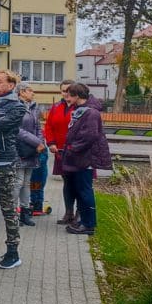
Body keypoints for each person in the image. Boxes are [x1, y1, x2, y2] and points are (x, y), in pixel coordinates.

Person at [0, 69, 27, 270]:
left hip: (4, 162)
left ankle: (13, 251)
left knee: (8, 207)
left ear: (11, 85)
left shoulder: (17, 107)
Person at [62, 83, 112, 235]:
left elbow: (90, 136)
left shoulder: (91, 113)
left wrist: (72, 148)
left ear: (77, 96)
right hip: (78, 158)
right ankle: (83, 221)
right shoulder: (79, 111)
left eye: (69, 95)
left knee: (85, 191)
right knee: (80, 190)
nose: (66, 97)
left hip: (85, 158)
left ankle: (88, 224)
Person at [44, 79, 79, 225]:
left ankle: (80, 213)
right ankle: (68, 212)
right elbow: (49, 126)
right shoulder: (57, 107)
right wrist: (50, 143)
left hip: (77, 152)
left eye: (68, 91)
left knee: (79, 183)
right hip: (60, 151)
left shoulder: (79, 107)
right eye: (63, 91)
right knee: (67, 183)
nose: (65, 94)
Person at [15, 84, 45, 228]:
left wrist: (39, 142)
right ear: (22, 92)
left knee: (27, 182)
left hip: (32, 150)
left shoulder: (34, 107)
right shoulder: (16, 106)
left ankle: (25, 213)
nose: (33, 93)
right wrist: (36, 142)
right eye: (30, 90)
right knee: (18, 182)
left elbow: (39, 127)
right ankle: (13, 213)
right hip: (20, 149)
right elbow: (17, 130)